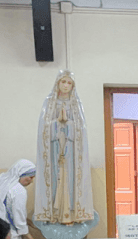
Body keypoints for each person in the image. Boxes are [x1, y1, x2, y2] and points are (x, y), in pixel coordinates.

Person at [35, 70, 94, 226]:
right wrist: (57, 123)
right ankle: (54, 214)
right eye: (63, 82)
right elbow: (43, 130)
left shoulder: (76, 105)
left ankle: (71, 213)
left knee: (70, 178)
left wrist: (67, 123)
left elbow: (81, 132)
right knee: (55, 177)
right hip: (54, 149)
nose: (66, 85)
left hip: (71, 152)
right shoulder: (49, 103)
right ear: (57, 83)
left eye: (69, 83)